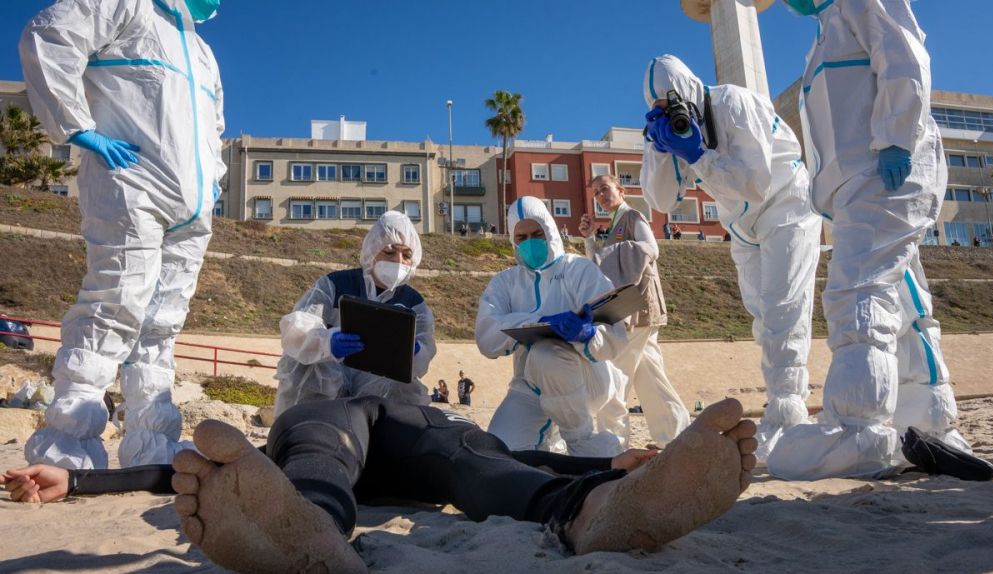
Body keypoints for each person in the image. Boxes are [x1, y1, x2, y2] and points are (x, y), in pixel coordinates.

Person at [2, 397, 759, 573]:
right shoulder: (339, 388)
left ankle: (603, 509)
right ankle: (585, 510)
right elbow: (186, 469)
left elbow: (529, 453)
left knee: (482, 463)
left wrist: (612, 467)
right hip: (373, 422)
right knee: (479, 466)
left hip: (402, 427)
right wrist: (80, 478)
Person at [769, 0, 980, 480]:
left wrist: (895, 137)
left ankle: (858, 428)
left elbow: (903, 53)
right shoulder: (824, 33)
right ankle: (930, 421)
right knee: (902, 300)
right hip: (860, 187)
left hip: (880, 174)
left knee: (857, 292)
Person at [19, 0, 225, 470]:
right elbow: (49, 35)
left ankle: (152, 444)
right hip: (133, 187)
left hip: (191, 209)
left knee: (161, 324)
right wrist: (81, 130)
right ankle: (68, 439)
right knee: (114, 304)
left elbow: (214, 127)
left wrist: (213, 181)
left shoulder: (201, 52)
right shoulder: (127, 6)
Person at [641, 55, 823, 462]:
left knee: (784, 308)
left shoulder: (736, 103)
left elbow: (754, 184)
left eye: (673, 104)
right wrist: (660, 150)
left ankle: (789, 413)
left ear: (689, 89)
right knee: (762, 313)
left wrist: (698, 156)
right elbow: (663, 200)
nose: (672, 113)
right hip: (741, 224)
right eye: (661, 109)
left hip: (786, 204)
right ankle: (781, 400)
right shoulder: (674, 131)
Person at [476, 196, 630, 457]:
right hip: (529, 385)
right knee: (502, 452)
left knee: (545, 354)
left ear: (550, 230)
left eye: (537, 234)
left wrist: (588, 335)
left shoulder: (579, 269)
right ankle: (553, 445)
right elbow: (486, 337)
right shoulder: (506, 282)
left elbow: (616, 334)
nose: (530, 242)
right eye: (521, 237)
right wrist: (535, 322)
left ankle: (584, 445)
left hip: (588, 378)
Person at [274, 211, 436, 417]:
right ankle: (302, 424)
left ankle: (384, 432)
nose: (398, 261)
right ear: (372, 249)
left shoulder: (413, 303)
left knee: (404, 386)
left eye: (406, 255)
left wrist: (415, 352)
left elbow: (424, 355)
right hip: (331, 375)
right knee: (308, 365)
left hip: (375, 381)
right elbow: (297, 328)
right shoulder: (336, 284)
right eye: (389, 252)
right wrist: (327, 342)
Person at [580, 175, 689, 446]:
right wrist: (590, 238)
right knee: (649, 375)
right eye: (596, 193)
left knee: (615, 372)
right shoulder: (615, 223)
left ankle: (613, 440)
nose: (600, 195)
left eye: (605, 189)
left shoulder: (632, 216)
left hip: (636, 308)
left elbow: (651, 249)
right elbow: (600, 264)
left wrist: (611, 251)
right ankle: (675, 435)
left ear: (621, 190)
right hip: (639, 308)